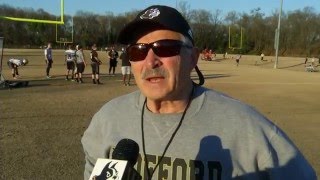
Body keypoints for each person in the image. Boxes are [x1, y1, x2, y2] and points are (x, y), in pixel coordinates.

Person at [81, 5, 316, 180]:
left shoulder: (247, 128)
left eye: (165, 48)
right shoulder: (107, 119)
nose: (150, 61)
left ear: (193, 57)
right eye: (138, 51)